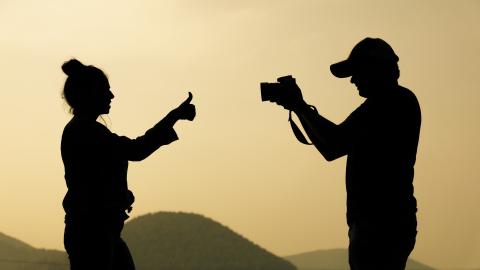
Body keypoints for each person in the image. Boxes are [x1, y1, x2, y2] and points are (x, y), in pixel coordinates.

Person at [272, 38, 421, 269]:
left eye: (357, 72)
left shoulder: (389, 103)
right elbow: (331, 147)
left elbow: (333, 143)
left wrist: (299, 106)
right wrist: (299, 107)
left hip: (380, 225)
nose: (352, 80)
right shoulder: (395, 102)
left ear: (374, 69)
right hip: (384, 223)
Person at [60, 59, 195, 270]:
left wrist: (118, 195)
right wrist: (173, 117)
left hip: (98, 232)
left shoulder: (83, 130)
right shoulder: (87, 132)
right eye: (106, 90)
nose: (111, 96)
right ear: (90, 94)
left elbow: (95, 179)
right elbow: (136, 150)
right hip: (93, 234)